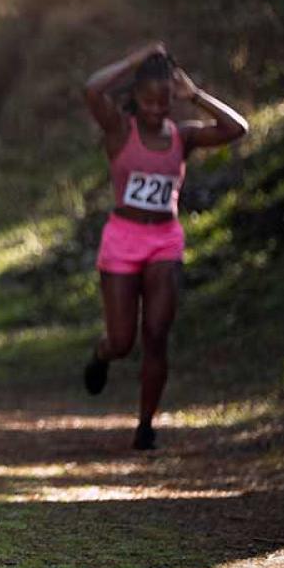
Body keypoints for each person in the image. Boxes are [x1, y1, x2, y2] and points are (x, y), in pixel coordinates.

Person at [81, 42, 248, 450]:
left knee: (156, 334)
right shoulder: (120, 129)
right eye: (150, 101)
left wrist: (196, 96)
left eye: (166, 101)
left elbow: (237, 129)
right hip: (122, 240)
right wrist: (134, 59)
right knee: (123, 342)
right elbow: (91, 89)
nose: (158, 109)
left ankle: (145, 425)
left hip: (164, 241)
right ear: (136, 98)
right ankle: (102, 355)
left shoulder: (183, 137)